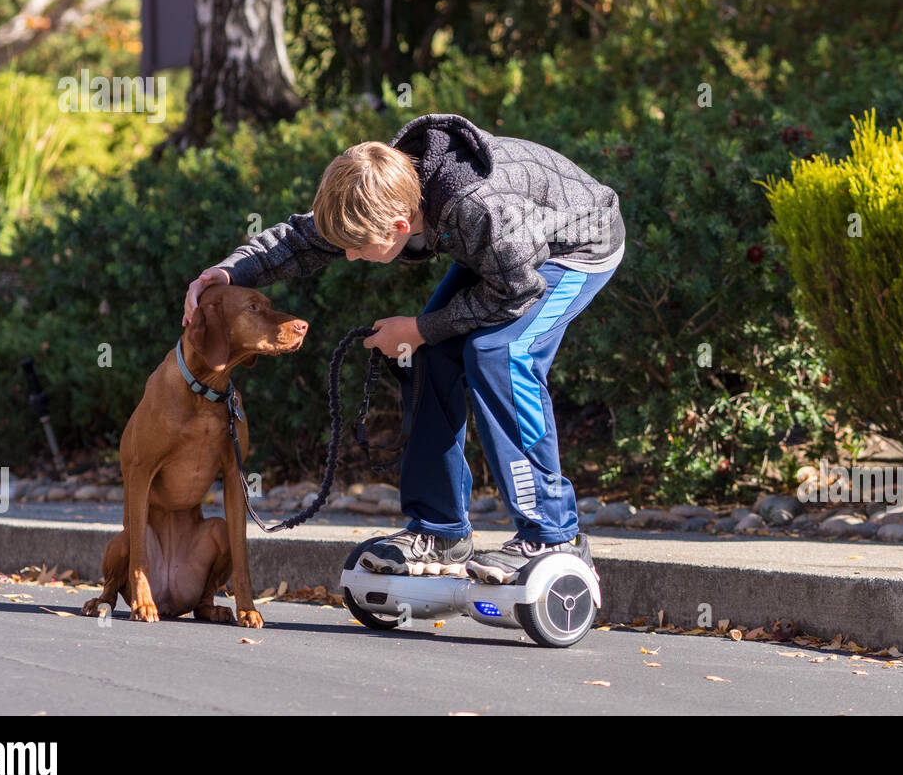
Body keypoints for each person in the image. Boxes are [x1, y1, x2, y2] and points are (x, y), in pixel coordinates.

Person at [183, 113, 625, 583]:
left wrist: (419, 327)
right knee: (432, 356)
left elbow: (518, 290)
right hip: (506, 253)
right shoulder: (375, 191)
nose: (351, 257)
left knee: (499, 354)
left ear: (399, 225)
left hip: (575, 248)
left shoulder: (478, 209)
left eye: (359, 248)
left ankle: (553, 535)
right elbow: (299, 240)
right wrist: (229, 273)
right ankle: (441, 529)